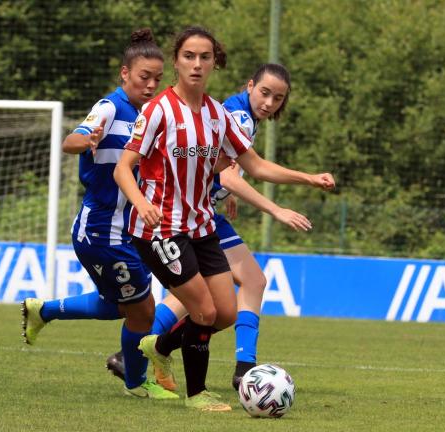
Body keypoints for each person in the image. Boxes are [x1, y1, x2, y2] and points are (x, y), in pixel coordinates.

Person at [113, 26, 335, 412]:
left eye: (205, 57)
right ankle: (197, 394)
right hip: (160, 228)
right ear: (177, 61)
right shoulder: (157, 110)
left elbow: (256, 166)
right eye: (188, 57)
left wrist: (309, 178)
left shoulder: (219, 115)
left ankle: (159, 346)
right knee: (204, 311)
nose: (197, 65)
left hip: (201, 227)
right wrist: (140, 202)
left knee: (226, 314)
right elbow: (123, 168)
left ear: (214, 62)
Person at [20, 28, 177, 400]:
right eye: (144, 77)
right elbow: (72, 139)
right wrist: (86, 139)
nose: (152, 84)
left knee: (119, 305)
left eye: (158, 78)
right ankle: (137, 383)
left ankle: (44, 311)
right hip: (104, 231)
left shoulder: (150, 116)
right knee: (143, 310)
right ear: (125, 74)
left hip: (129, 229)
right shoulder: (110, 107)